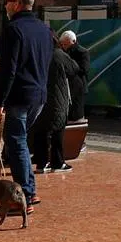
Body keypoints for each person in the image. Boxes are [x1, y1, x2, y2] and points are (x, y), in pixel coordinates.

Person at [0, 0, 52, 208]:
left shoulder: (13, 30)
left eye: (7, 2)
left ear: (17, 4)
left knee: (16, 143)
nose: (5, 6)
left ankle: (23, 194)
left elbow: (9, 70)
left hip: (18, 96)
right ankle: (29, 191)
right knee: (21, 141)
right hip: (39, 95)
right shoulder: (44, 30)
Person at [32, 33, 79, 174]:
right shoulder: (58, 54)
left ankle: (41, 163)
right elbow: (74, 69)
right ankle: (57, 163)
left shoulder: (36, 53)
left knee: (41, 131)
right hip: (57, 99)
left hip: (39, 98)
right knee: (58, 131)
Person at [59, 30, 90, 125]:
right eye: (63, 44)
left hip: (78, 86)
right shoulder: (63, 52)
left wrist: (70, 68)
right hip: (66, 86)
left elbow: (84, 69)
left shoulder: (82, 52)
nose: (64, 46)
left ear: (73, 41)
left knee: (77, 114)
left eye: (66, 44)